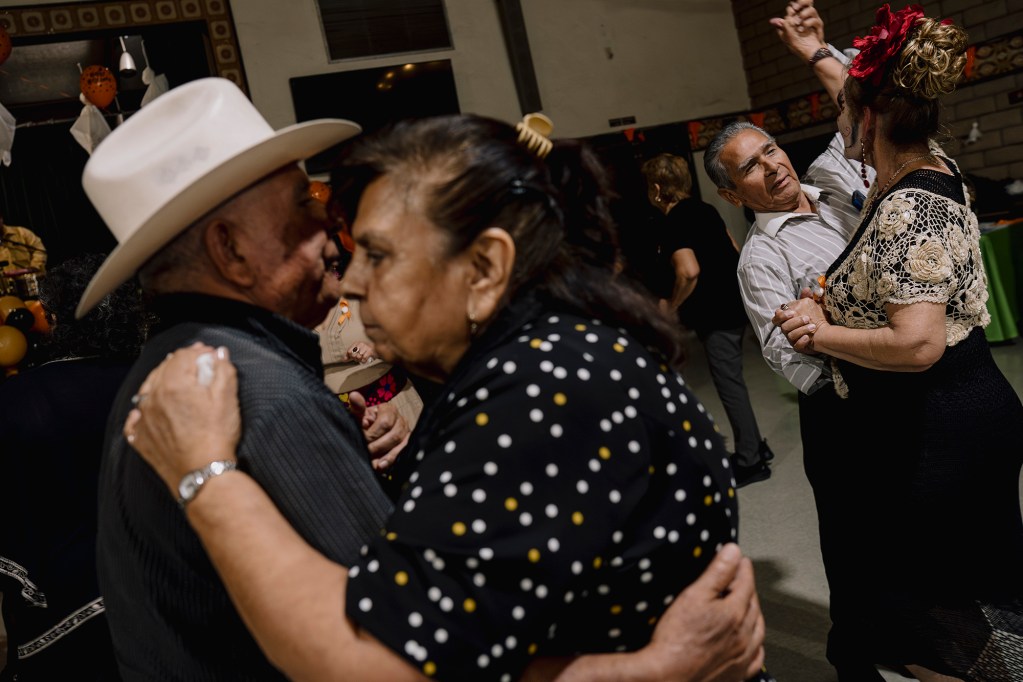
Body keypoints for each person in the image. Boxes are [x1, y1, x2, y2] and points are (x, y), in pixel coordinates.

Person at [81, 77, 765, 680]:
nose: (346, 265)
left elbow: (404, 656)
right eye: (303, 205)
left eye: (376, 252)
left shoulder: (541, 385)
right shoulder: (251, 389)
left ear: (485, 269)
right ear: (227, 248)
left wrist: (206, 475)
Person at [771, 4, 1023, 680]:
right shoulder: (922, 166)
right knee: (953, 603)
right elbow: (856, 93)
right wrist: (814, 53)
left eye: (843, 111)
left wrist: (821, 331)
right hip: (954, 419)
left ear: (872, 118)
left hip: (942, 430)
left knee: (952, 614)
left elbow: (917, 344)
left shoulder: (911, 203)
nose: (835, 121)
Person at [703, 123, 879, 680]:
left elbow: (856, 111)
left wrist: (816, 51)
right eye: (750, 166)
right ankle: (852, 659)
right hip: (844, 410)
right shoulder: (761, 257)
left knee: (905, 528)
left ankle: (909, 635)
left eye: (770, 150)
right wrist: (868, 346)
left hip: (907, 386)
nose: (772, 165)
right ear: (733, 195)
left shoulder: (837, 189)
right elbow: (790, 360)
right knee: (854, 546)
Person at [0, 253, 148, 680]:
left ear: (56, 317)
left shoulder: (17, 400)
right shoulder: (163, 379)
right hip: (166, 587)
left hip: (60, 608)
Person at [640, 153, 773, 487]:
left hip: (714, 314)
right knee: (735, 382)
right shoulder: (705, 209)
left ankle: (751, 461)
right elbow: (735, 249)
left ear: (656, 188)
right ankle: (754, 446)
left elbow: (689, 271)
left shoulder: (672, 222)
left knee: (729, 386)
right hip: (734, 305)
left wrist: (671, 305)